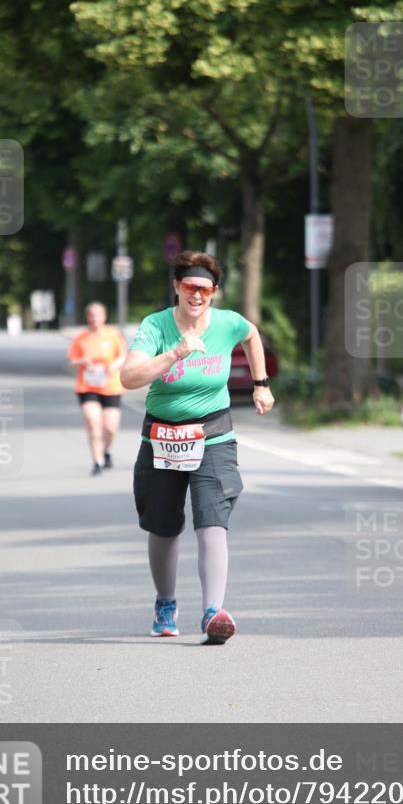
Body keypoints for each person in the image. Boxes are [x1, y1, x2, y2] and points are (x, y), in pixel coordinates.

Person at [120, 250, 274, 645]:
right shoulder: (155, 326)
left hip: (213, 436)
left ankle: (212, 613)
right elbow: (129, 377)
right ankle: (165, 604)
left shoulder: (227, 323)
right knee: (163, 526)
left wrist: (261, 383)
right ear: (176, 286)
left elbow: (252, 335)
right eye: (190, 286)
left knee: (212, 520)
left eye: (205, 289)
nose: (197, 295)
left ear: (214, 291)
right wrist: (175, 353)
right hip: (162, 437)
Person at [67, 302, 127, 475]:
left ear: (104, 317)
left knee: (110, 428)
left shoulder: (113, 334)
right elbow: (71, 361)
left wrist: (114, 365)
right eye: (91, 315)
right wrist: (81, 361)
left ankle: (105, 450)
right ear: (87, 317)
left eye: (97, 315)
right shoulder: (81, 338)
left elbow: (123, 356)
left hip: (111, 386)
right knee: (93, 423)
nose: (94, 319)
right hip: (87, 386)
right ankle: (97, 461)